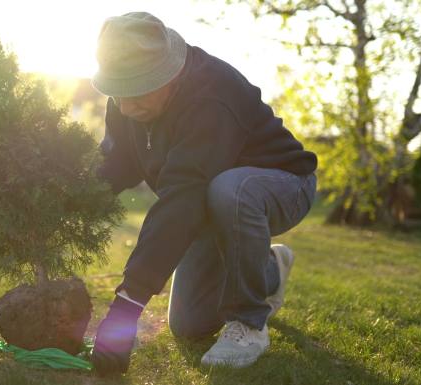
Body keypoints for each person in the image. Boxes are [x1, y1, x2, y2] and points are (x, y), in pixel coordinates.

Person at [89, 12, 318, 375]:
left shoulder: (211, 93)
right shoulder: (126, 100)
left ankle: (249, 324)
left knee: (229, 189)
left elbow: (182, 197)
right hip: (209, 200)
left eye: (137, 90)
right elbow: (118, 164)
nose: (126, 107)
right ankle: (269, 269)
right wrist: (72, 196)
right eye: (119, 92)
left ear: (168, 73)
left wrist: (127, 308)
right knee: (189, 325)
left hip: (282, 184)